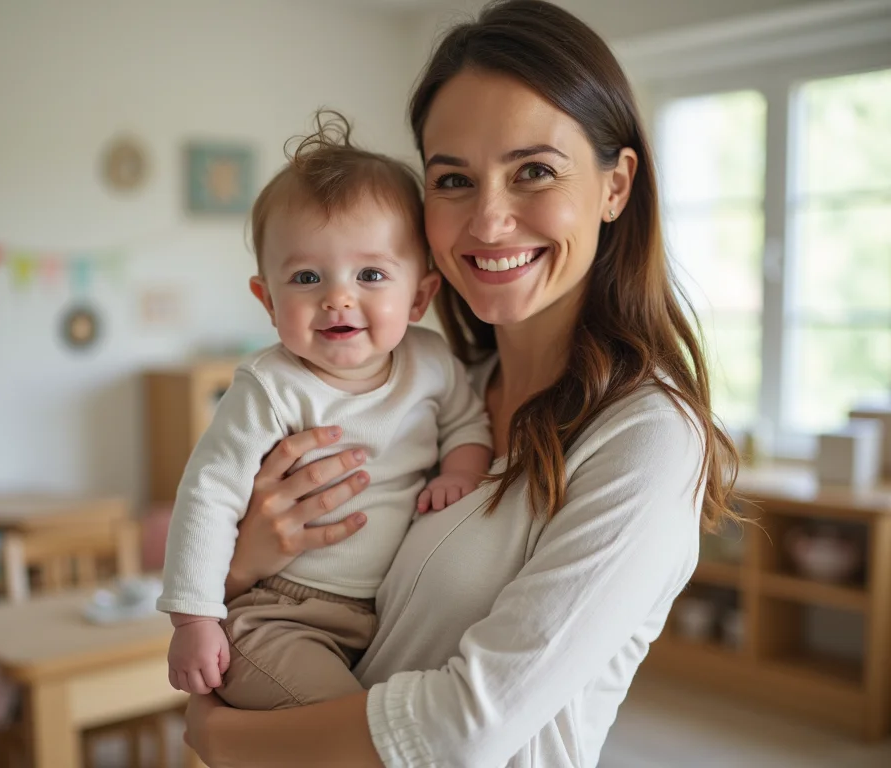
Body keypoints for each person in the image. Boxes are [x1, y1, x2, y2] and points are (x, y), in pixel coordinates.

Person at [184, 0, 740, 765]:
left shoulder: (646, 438)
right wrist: (245, 564)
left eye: (534, 171)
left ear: (616, 187)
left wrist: (230, 741)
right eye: (453, 179)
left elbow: (467, 726)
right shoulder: (441, 393)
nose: (487, 220)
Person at [157, 113, 493, 711]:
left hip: (383, 618)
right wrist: (193, 619)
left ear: (418, 295)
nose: (338, 296)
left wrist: (460, 472)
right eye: (307, 276)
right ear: (267, 299)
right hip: (279, 615)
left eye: (370, 274)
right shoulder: (271, 386)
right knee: (346, 728)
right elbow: (209, 495)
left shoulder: (432, 362)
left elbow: (469, 425)